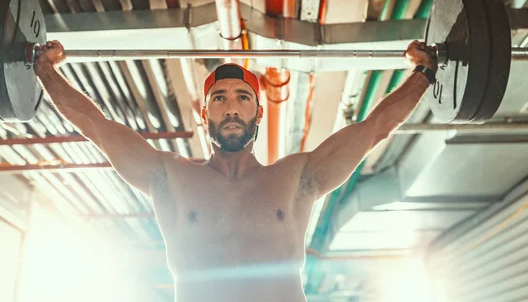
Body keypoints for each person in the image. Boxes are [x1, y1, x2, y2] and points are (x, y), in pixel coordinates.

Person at [34, 39, 436, 302]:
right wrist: (44, 71)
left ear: (258, 112)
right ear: (204, 112)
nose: (231, 107)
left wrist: (426, 73)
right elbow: (96, 127)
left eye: (243, 98)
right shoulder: (169, 177)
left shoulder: (298, 177)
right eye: (220, 98)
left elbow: (373, 129)